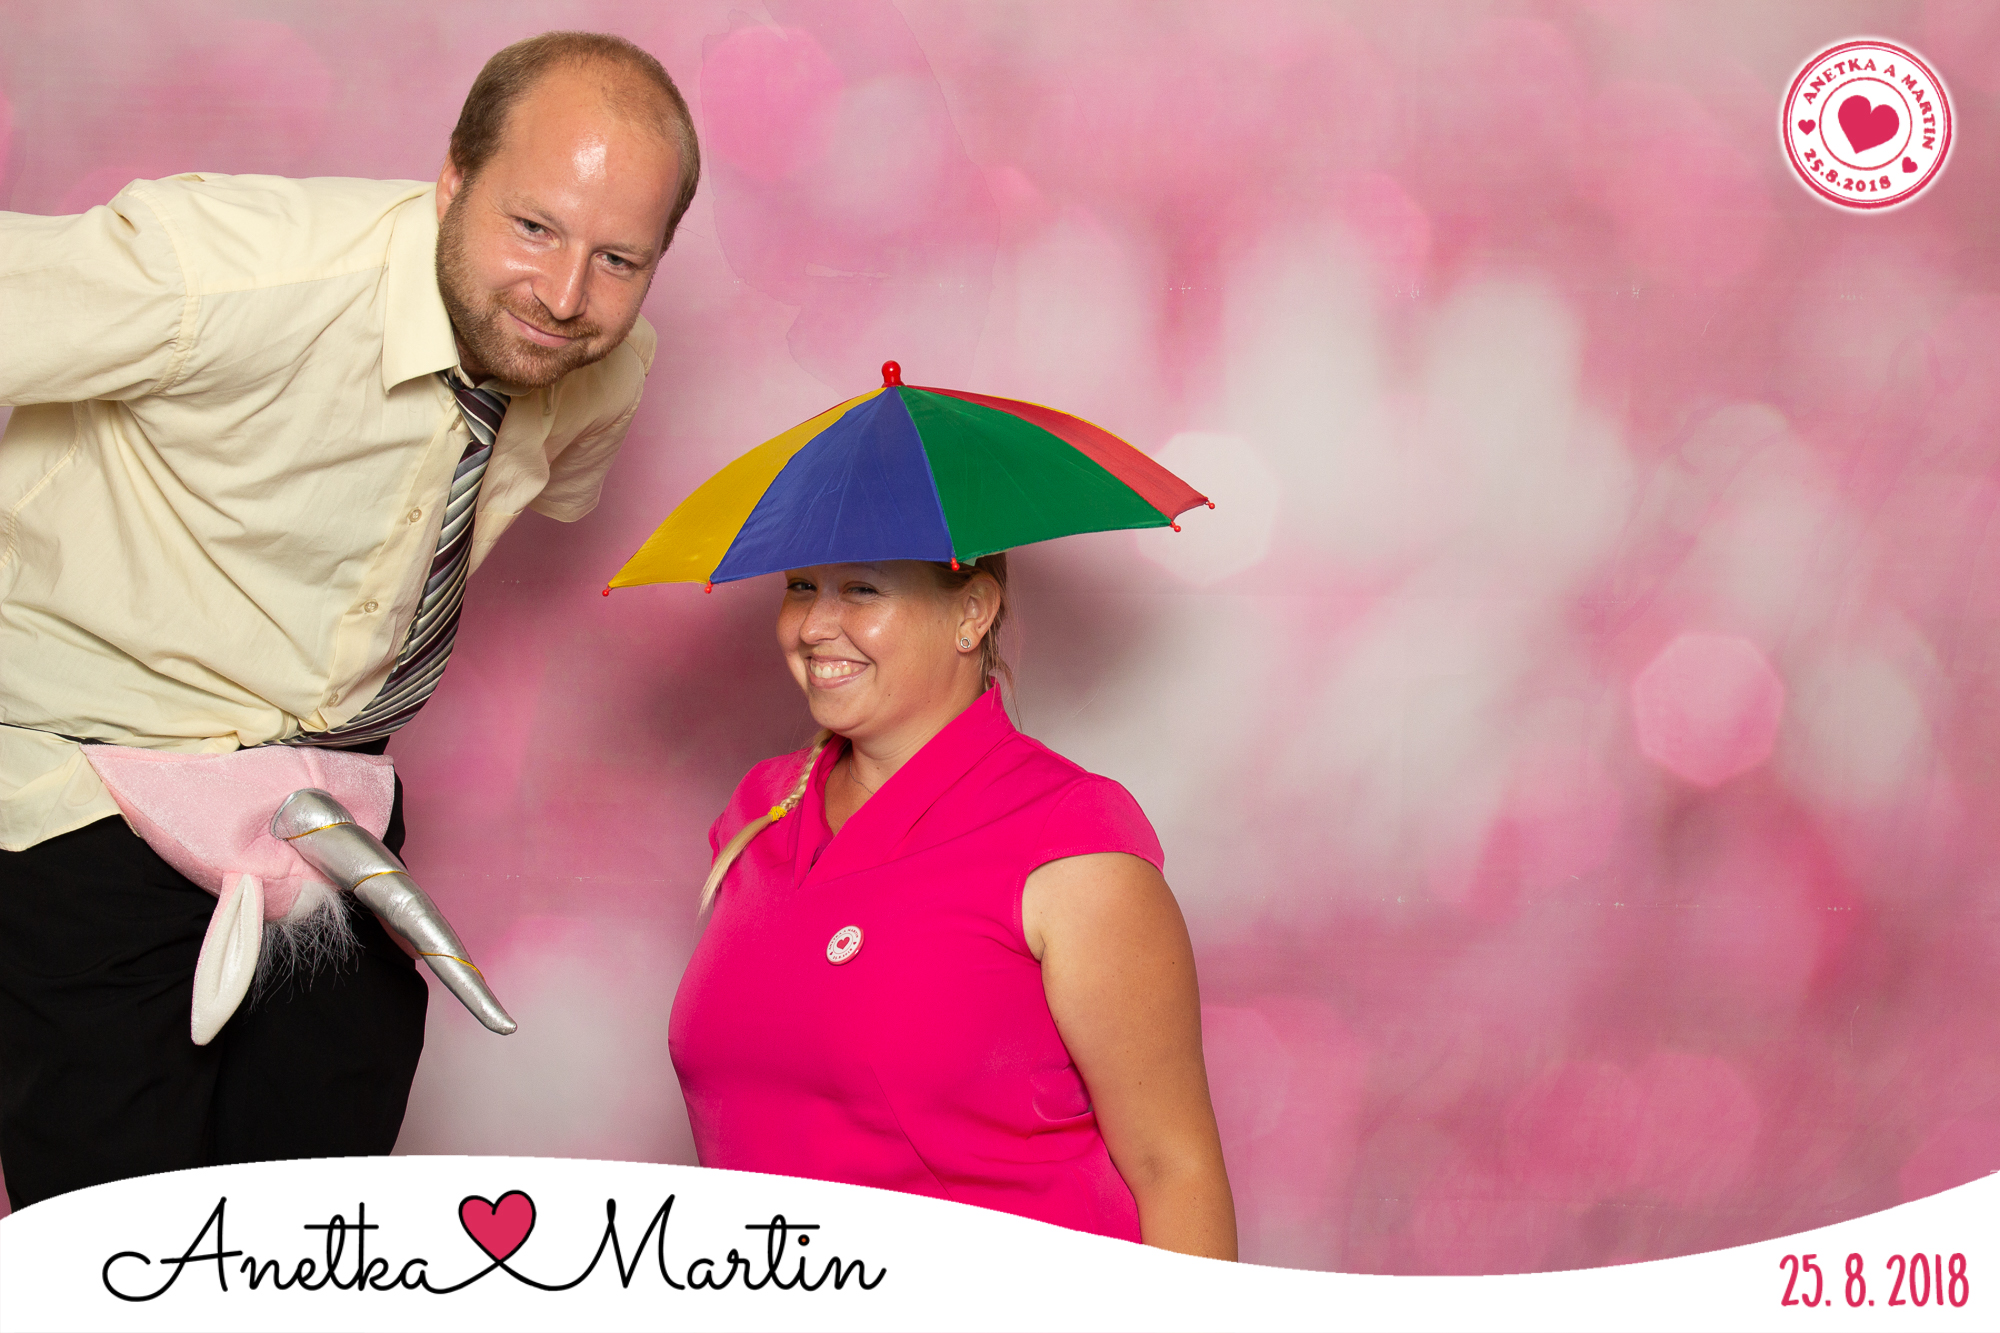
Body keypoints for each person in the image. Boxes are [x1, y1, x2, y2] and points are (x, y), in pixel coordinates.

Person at [0, 31, 699, 1210]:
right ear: (453, 177)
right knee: (119, 1241)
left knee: (320, 1218)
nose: (564, 295)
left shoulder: (598, 367)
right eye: (533, 227)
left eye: (617, 258)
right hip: (92, 785)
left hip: (327, 801)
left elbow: (538, 482)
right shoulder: (225, 272)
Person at [669, 556, 1238, 1259]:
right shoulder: (761, 808)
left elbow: (1174, 1170)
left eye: (861, 590)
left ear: (972, 611)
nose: (812, 626)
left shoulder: (1066, 837)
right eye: (800, 588)